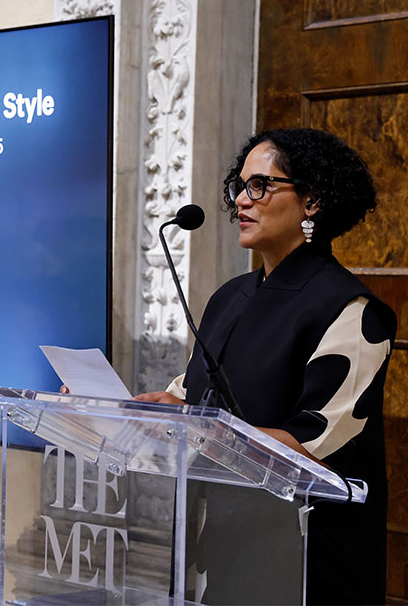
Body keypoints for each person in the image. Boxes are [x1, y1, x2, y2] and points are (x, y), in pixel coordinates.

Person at [135, 128, 396, 605]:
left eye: (260, 186)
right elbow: (189, 400)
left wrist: (197, 428)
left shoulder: (351, 309)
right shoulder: (227, 299)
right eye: (239, 186)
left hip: (310, 565)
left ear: (312, 201)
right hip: (231, 551)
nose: (241, 203)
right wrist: (121, 410)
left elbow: (308, 446)